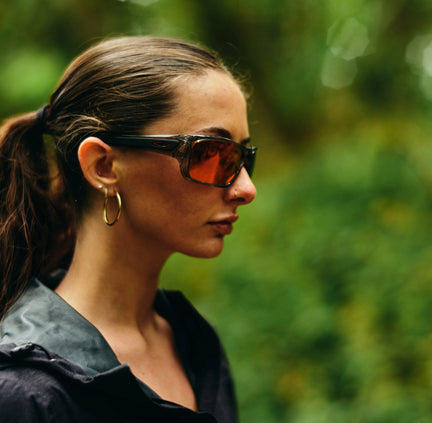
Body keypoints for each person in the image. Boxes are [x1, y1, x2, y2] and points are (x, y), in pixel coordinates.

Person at [0, 36, 257, 423]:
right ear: (103, 166)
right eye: (210, 153)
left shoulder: (194, 343)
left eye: (243, 157)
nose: (246, 189)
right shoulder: (26, 393)